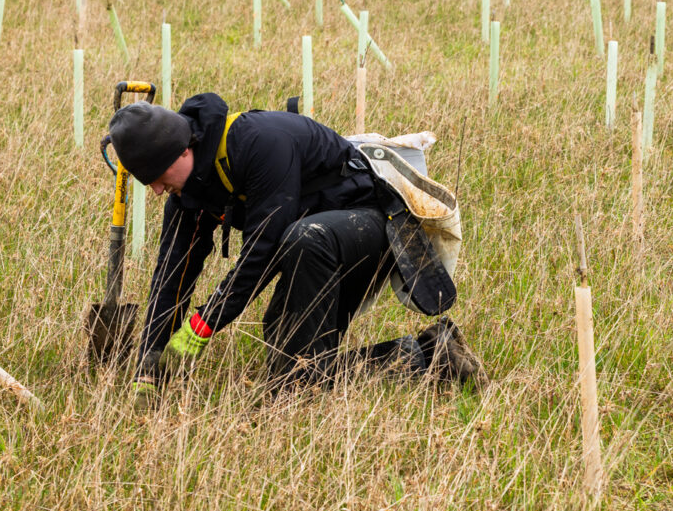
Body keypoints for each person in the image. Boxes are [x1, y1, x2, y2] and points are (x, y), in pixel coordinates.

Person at [106, 93, 483, 404]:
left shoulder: (259, 142)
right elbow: (172, 275)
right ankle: (431, 355)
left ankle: (427, 359)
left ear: (182, 151)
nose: (156, 190)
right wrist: (148, 366)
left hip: (369, 228)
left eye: (156, 178)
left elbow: (264, 245)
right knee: (293, 380)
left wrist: (204, 323)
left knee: (303, 236)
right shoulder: (190, 192)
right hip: (312, 247)